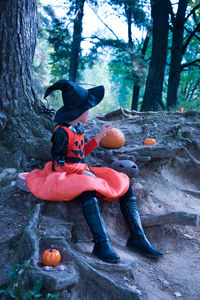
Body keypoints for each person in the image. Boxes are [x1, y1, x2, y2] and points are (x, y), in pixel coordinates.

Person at [26, 80, 163, 263]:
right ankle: (101, 243)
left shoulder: (78, 128)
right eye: (88, 108)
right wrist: (82, 173)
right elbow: (59, 164)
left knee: (122, 180)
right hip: (61, 174)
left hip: (79, 170)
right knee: (88, 186)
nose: (90, 111)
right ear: (79, 111)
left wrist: (98, 137)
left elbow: (79, 153)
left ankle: (137, 237)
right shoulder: (61, 132)